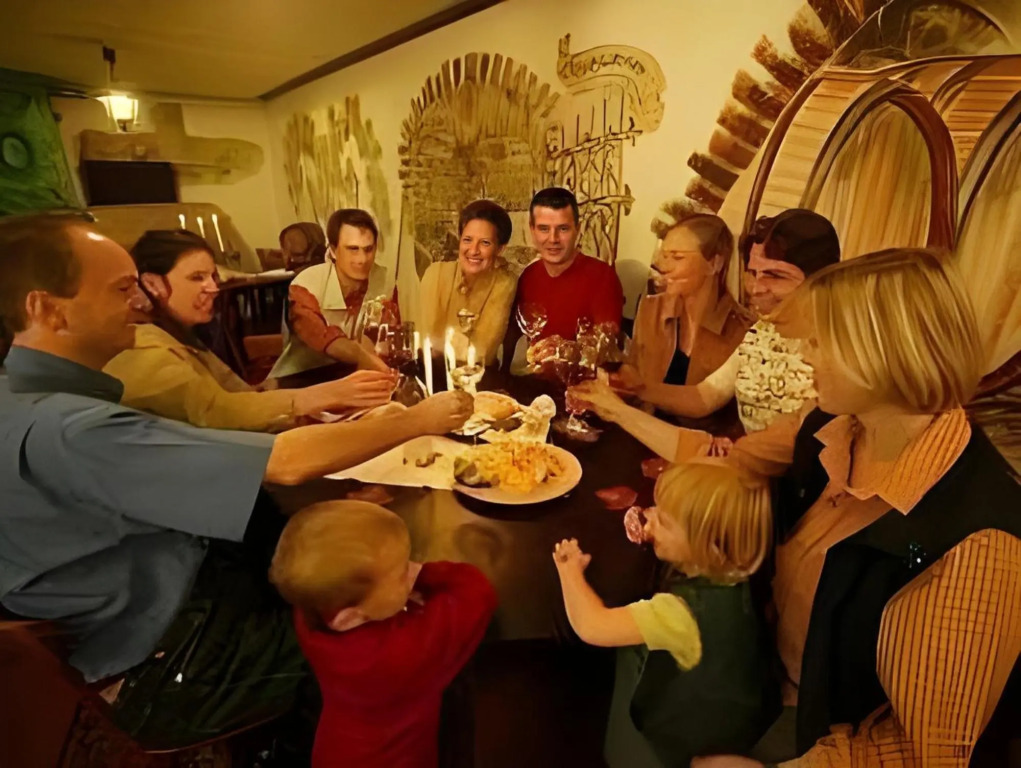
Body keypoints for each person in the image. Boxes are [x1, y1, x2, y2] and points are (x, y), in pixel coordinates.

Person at [0, 211, 473, 750]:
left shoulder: (23, 396)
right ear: (46, 309)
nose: (139, 302)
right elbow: (283, 462)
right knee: (411, 647)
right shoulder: (70, 428)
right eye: (121, 289)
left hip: (155, 608)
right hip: (168, 657)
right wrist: (419, 420)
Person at [607, 249, 1021, 767]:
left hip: (818, 730)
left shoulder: (980, 542)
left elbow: (922, 753)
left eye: (822, 341)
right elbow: (731, 461)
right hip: (760, 673)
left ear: (884, 353)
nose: (806, 355)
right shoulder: (831, 426)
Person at [553, 461, 778, 768]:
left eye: (665, 522)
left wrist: (569, 570)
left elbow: (592, 626)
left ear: (706, 545)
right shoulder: (736, 572)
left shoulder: (680, 613)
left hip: (682, 734)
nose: (649, 518)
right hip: (735, 711)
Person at [269, 500, 497, 768]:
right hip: (399, 757)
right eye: (402, 573)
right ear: (349, 616)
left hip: (336, 748)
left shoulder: (311, 614)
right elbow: (476, 592)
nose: (413, 567)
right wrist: (425, 575)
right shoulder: (400, 654)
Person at [104, 229, 397, 431]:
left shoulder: (380, 280)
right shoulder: (143, 348)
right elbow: (216, 412)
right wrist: (325, 396)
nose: (213, 287)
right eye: (197, 278)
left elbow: (240, 394)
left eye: (213, 276)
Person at [615, 210, 840, 433]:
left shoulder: (839, 345)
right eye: (753, 273)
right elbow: (705, 396)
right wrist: (636, 387)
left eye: (775, 276)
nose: (755, 288)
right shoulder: (761, 332)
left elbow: (798, 439)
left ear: (821, 279)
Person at [622, 213, 752, 393]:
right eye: (663, 256)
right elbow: (633, 374)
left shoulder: (742, 331)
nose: (662, 266)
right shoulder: (651, 309)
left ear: (715, 263)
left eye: (677, 258)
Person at [270, 208, 399, 378]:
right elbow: (323, 338)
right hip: (300, 378)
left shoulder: (384, 281)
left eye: (368, 249)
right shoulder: (306, 284)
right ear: (332, 250)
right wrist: (365, 358)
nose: (362, 259)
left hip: (355, 374)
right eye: (353, 249)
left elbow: (377, 336)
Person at [513, 187, 624, 343]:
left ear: (577, 229)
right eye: (544, 229)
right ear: (532, 230)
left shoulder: (602, 277)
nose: (553, 239)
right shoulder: (528, 277)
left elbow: (605, 346)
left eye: (563, 229)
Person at [419, 199, 518, 365]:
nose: (473, 250)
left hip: (478, 376)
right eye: (467, 240)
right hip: (428, 371)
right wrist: (457, 345)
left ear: (500, 249)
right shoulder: (435, 273)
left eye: (485, 243)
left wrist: (440, 344)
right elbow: (423, 340)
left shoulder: (504, 283)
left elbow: (483, 352)